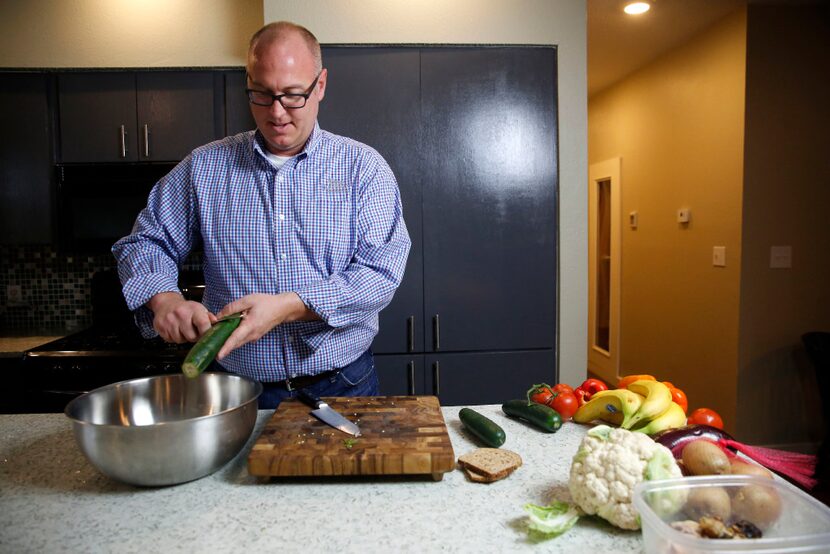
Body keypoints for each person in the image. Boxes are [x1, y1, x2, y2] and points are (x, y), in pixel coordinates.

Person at [112, 21, 410, 408]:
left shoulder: (362, 168)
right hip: (239, 393)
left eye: (292, 95)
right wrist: (164, 299)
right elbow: (145, 241)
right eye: (262, 94)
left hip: (344, 383)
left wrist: (291, 305)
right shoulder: (203, 168)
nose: (277, 112)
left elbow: (380, 274)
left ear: (320, 85)